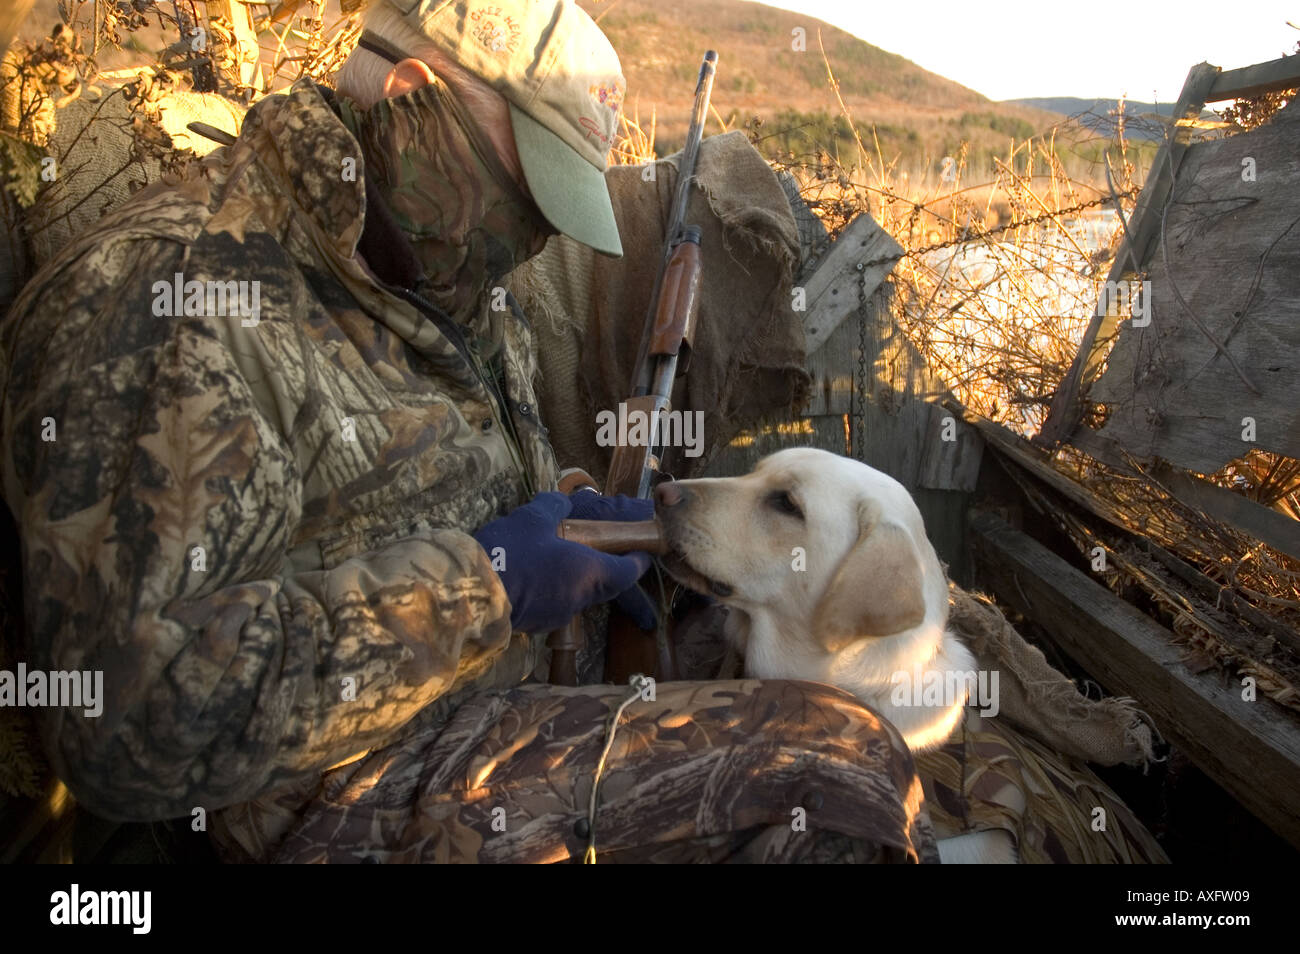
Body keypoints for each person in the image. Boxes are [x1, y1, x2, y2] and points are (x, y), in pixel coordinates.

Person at [0, 0, 934, 862]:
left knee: (855, 677)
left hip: (501, 702)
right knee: (837, 773)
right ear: (412, 102)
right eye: (526, 197)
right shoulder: (177, 304)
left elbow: (426, 485)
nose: (535, 239)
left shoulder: (422, 264)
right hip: (317, 802)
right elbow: (129, 726)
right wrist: (481, 585)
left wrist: (561, 517)